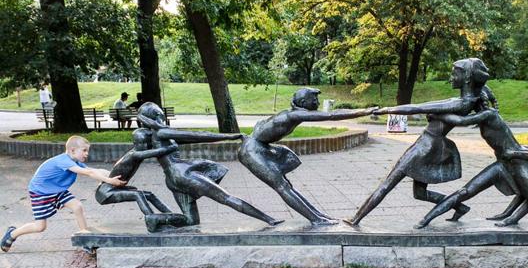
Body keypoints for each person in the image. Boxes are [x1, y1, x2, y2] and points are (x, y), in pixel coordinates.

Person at [345, 58, 496, 227]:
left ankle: (356, 219)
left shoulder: (460, 103)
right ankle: (460, 207)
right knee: (419, 193)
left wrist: (384, 110)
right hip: (431, 145)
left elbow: (418, 108)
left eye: (455, 74)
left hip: (426, 147)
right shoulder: (465, 101)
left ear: (467, 78)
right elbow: (426, 106)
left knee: (388, 183)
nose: (451, 78)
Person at [416, 107, 528, 228]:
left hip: (521, 164)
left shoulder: (489, 114)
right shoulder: (481, 112)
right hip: (504, 162)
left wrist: (435, 113)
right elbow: (459, 110)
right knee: (466, 191)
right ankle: (426, 219)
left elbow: (461, 120)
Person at [238, 88, 378, 225]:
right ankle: (316, 219)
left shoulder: (292, 113)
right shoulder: (293, 115)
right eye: (315, 99)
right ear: (304, 102)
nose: (318, 102)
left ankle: (317, 215)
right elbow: (332, 115)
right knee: (282, 187)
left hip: (261, 147)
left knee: (286, 185)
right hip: (251, 151)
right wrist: (365, 111)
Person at [137, 102, 283, 229]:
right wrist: (231, 136)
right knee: (225, 197)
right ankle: (268, 219)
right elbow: (198, 135)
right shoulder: (162, 132)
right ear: (158, 115)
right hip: (182, 174)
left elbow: (195, 139)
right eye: (161, 114)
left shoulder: (157, 135)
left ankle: (155, 219)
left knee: (191, 221)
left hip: (172, 179)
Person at [1, 136, 126, 252]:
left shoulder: (75, 161)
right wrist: (110, 181)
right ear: (72, 150)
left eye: (87, 151)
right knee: (40, 227)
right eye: (84, 150)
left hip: (57, 190)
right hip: (41, 193)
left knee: (77, 206)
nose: (87, 154)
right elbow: (89, 173)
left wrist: (114, 174)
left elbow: (94, 170)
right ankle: (12, 234)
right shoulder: (64, 161)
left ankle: (85, 240)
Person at [95, 128, 188, 232]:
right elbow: (156, 152)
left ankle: (170, 216)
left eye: (148, 143)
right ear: (135, 143)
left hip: (113, 188)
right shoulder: (134, 154)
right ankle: (151, 219)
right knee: (137, 194)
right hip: (105, 193)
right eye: (142, 143)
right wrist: (172, 147)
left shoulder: (136, 153)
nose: (146, 146)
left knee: (149, 195)